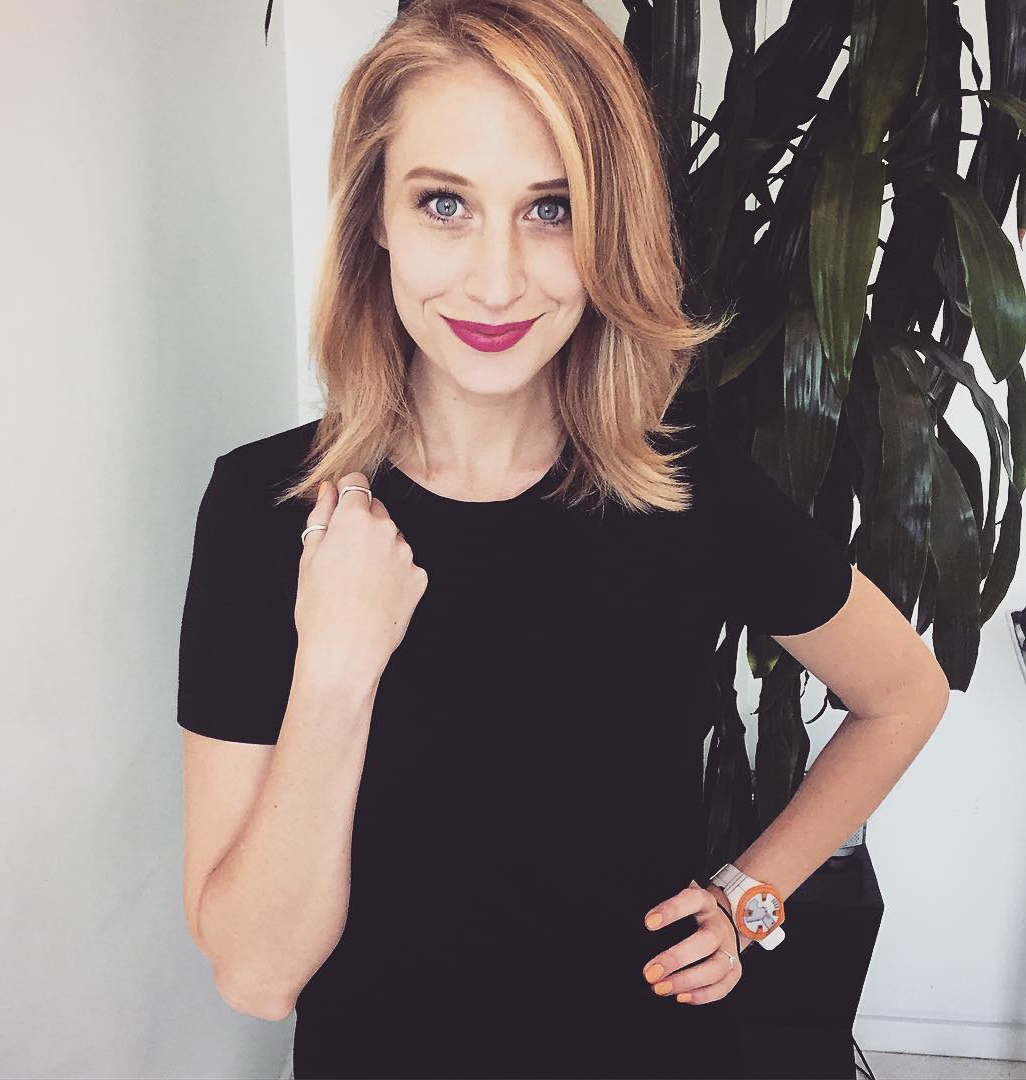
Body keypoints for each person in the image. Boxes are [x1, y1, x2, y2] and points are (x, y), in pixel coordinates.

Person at [177, 2, 874, 1076]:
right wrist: (337, 666)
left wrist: (751, 896)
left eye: (552, 209)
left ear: (608, 227)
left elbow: (902, 695)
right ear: (376, 215)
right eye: (444, 203)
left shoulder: (688, 484)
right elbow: (256, 976)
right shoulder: (264, 508)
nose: (497, 280)